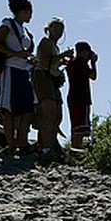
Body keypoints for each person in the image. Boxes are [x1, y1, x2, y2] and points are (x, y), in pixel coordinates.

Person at [0, 0, 35, 153]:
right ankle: (11, 144)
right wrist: (15, 53)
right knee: (8, 109)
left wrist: (28, 59)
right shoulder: (8, 24)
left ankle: (21, 141)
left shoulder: (25, 31)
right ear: (24, 11)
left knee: (27, 108)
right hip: (10, 69)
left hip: (24, 71)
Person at [33, 17, 73, 157]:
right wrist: (63, 56)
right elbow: (44, 62)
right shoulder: (46, 42)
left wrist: (62, 61)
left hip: (51, 78)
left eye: (60, 29)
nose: (58, 32)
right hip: (43, 76)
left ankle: (48, 145)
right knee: (49, 113)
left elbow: (52, 62)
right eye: (55, 28)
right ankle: (45, 147)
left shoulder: (54, 46)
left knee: (56, 114)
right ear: (48, 29)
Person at [65, 41, 97, 149]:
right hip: (82, 98)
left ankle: (74, 148)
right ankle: (77, 150)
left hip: (72, 97)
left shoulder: (71, 63)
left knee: (75, 127)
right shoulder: (82, 64)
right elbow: (93, 76)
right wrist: (93, 63)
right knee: (81, 129)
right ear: (84, 52)